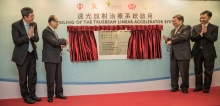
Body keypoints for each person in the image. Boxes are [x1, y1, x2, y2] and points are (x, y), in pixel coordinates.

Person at [11, 7, 41, 104]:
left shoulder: (34, 24)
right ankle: (26, 96)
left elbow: (37, 39)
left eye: (33, 15)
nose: (33, 18)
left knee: (32, 77)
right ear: (25, 17)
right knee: (23, 78)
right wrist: (28, 36)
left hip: (32, 54)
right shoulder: (16, 25)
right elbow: (16, 41)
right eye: (31, 16)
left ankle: (32, 94)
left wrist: (32, 35)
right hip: (21, 56)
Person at [42, 15, 69, 102]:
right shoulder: (46, 31)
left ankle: (59, 93)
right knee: (50, 78)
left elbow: (55, 45)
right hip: (50, 58)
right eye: (57, 21)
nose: (58, 23)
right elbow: (54, 42)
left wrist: (61, 46)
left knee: (58, 77)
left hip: (57, 57)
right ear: (51, 21)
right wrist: (64, 40)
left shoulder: (53, 32)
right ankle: (50, 96)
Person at [191, 10, 218, 93]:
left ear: (209, 18)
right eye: (201, 17)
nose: (202, 19)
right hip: (197, 52)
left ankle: (206, 88)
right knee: (197, 70)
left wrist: (205, 33)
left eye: (204, 18)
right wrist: (201, 34)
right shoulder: (195, 27)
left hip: (209, 53)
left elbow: (213, 39)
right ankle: (198, 87)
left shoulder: (214, 27)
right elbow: (192, 39)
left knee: (208, 71)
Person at [163, 14, 191, 93]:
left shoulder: (187, 27)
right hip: (173, 54)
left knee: (184, 72)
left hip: (183, 54)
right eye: (172, 21)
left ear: (181, 21)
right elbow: (175, 41)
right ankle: (174, 86)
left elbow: (183, 37)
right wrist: (168, 39)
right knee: (174, 72)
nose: (173, 22)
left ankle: (184, 87)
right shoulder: (172, 30)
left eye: (175, 21)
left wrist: (171, 41)